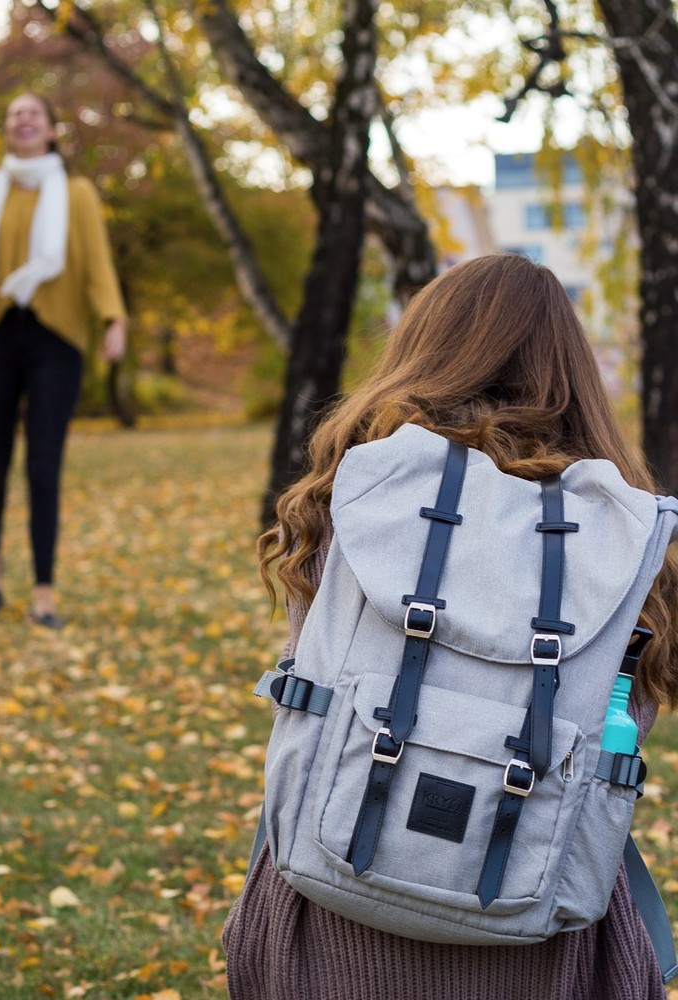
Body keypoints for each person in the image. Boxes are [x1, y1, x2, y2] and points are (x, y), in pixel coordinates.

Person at [223, 253, 678, 999]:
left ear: (424, 350)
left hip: (329, 907)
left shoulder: (359, 488)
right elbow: (629, 722)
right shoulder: (629, 537)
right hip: (539, 921)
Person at [0, 92, 127, 627]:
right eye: (15, 115)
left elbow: (97, 262)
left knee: (43, 466)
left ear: (52, 130)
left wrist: (114, 318)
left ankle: (43, 589)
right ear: (7, 130)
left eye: (33, 113)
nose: (23, 120)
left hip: (55, 342)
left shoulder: (77, 193)